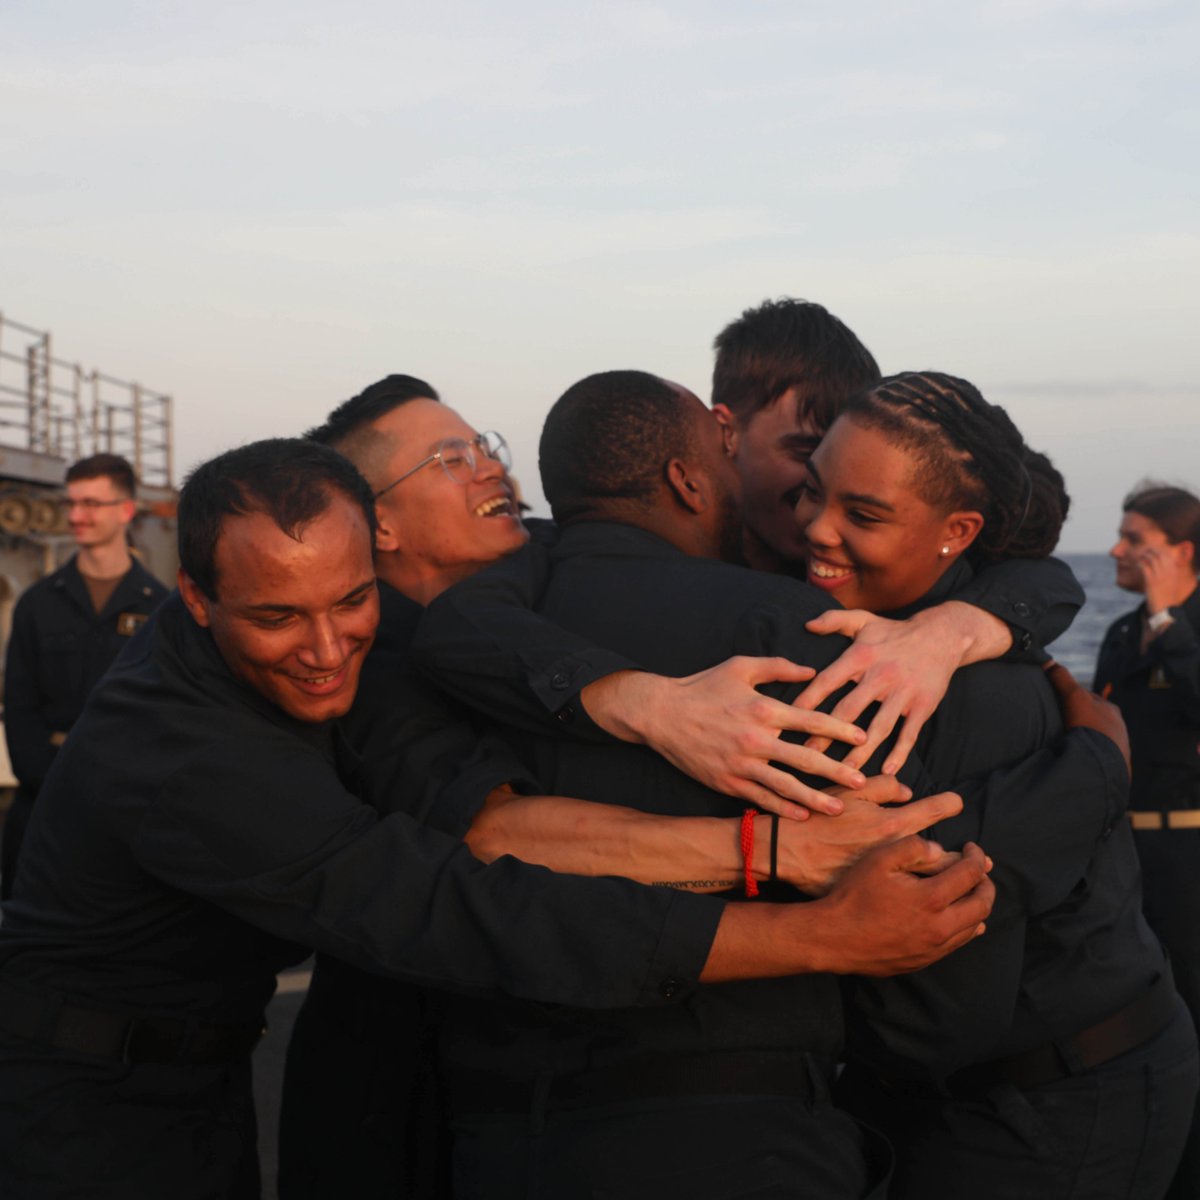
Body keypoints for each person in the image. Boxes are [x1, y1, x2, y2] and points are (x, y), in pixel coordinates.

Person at [0, 437, 993, 1200]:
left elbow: (543, 602)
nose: (322, 650)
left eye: (350, 603)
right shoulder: (179, 749)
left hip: (199, 1086)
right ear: (196, 598)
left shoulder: (350, 656)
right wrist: (811, 934)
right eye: (275, 618)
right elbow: (443, 907)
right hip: (75, 1107)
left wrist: (972, 626)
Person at [410, 371, 1125, 1200]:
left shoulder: (509, 600)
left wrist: (959, 626)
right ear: (693, 472)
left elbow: (1036, 578)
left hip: (492, 1131)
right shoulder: (809, 642)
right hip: (763, 1132)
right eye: (800, 478)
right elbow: (937, 960)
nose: (802, 515)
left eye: (857, 507)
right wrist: (1100, 767)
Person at [280, 374, 977, 1199]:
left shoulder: (527, 586)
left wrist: (970, 624)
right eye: (449, 458)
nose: (488, 471)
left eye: (485, 448)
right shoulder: (369, 666)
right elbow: (496, 839)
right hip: (408, 1105)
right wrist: (775, 851)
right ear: (378, 525)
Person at [417, 298, 1088, 797]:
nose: (819, 502)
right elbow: (462, 626)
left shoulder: (887, 599)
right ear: (725, 436)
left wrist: (954, 631)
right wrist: (643, 702)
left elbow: (1039, 577)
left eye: (862, 485)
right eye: (808, 456)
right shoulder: (584, 562)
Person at [794, 373, 1198, 1198]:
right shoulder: (944, 621)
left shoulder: (979, 688)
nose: (817, 527)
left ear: (959, 532)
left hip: (1053, 1100)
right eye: (811, 491)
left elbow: (940, 1014)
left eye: (863, 513)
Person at [1094, 481, 1200, 1200]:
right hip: (1127, 856)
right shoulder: (1119, 633)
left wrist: (1170, 619)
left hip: (1191, 859)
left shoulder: (1178, 626)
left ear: (1181, 553)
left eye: (1136, 541)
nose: (1117, 550)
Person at [1, 452, 168, 898]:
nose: (76, 515)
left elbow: (167, 711)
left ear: (126, 510)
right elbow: (19, 706)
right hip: (45, 801)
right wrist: (55, 784)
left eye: (92, 504)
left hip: (129, 807)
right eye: (71, 503)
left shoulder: (159, 607)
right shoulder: (39, 603)